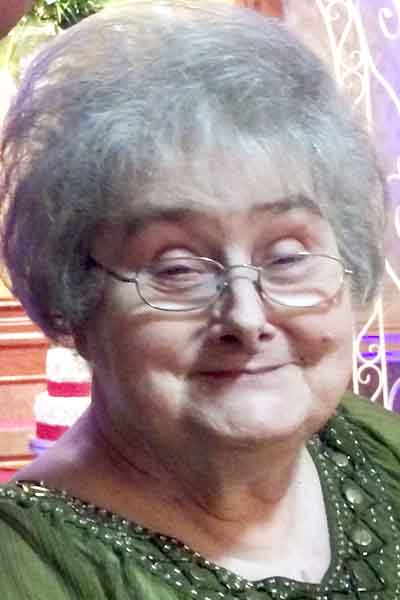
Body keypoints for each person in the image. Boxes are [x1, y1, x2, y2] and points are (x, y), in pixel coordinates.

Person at [0, 1, 399, 598]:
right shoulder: (25, 565)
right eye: (177, 269)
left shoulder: (376, 446)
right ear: (76, 300)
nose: (246, 316)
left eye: (287, 256)